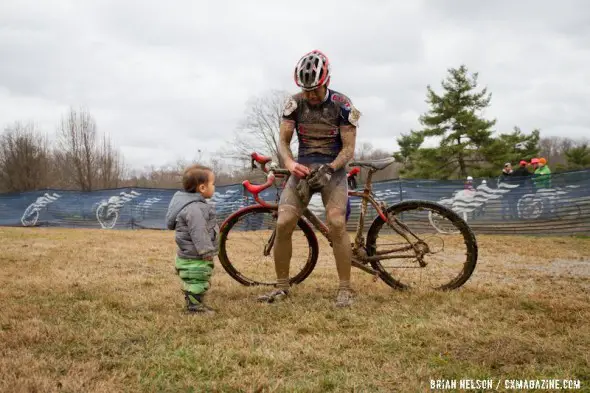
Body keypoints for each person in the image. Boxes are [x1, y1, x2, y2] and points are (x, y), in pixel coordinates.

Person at [257, 49, 360, 307]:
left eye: (315, 89)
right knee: (283, 223)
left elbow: (349, 148)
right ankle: (282, 288)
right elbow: (283, 141)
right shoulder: (294, 103)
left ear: (326, 81)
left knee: (336, 223)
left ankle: (345, 289)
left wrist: (330, 168)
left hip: (332, 169)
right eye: (306, 90)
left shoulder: (343, 104)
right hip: (302, 167)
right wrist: (290, 163)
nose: (310, 95)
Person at [165, 164, 219, 314]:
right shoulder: (195, 208)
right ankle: (194, 308)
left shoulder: (190, 205)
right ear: (202, 188)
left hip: (187, 256)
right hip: (195, 257)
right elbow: (199, 232)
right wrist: (206, 251)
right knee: (198, 281)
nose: (214, 187)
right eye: (213, 184)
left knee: (194, 281)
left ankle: (193, 302)